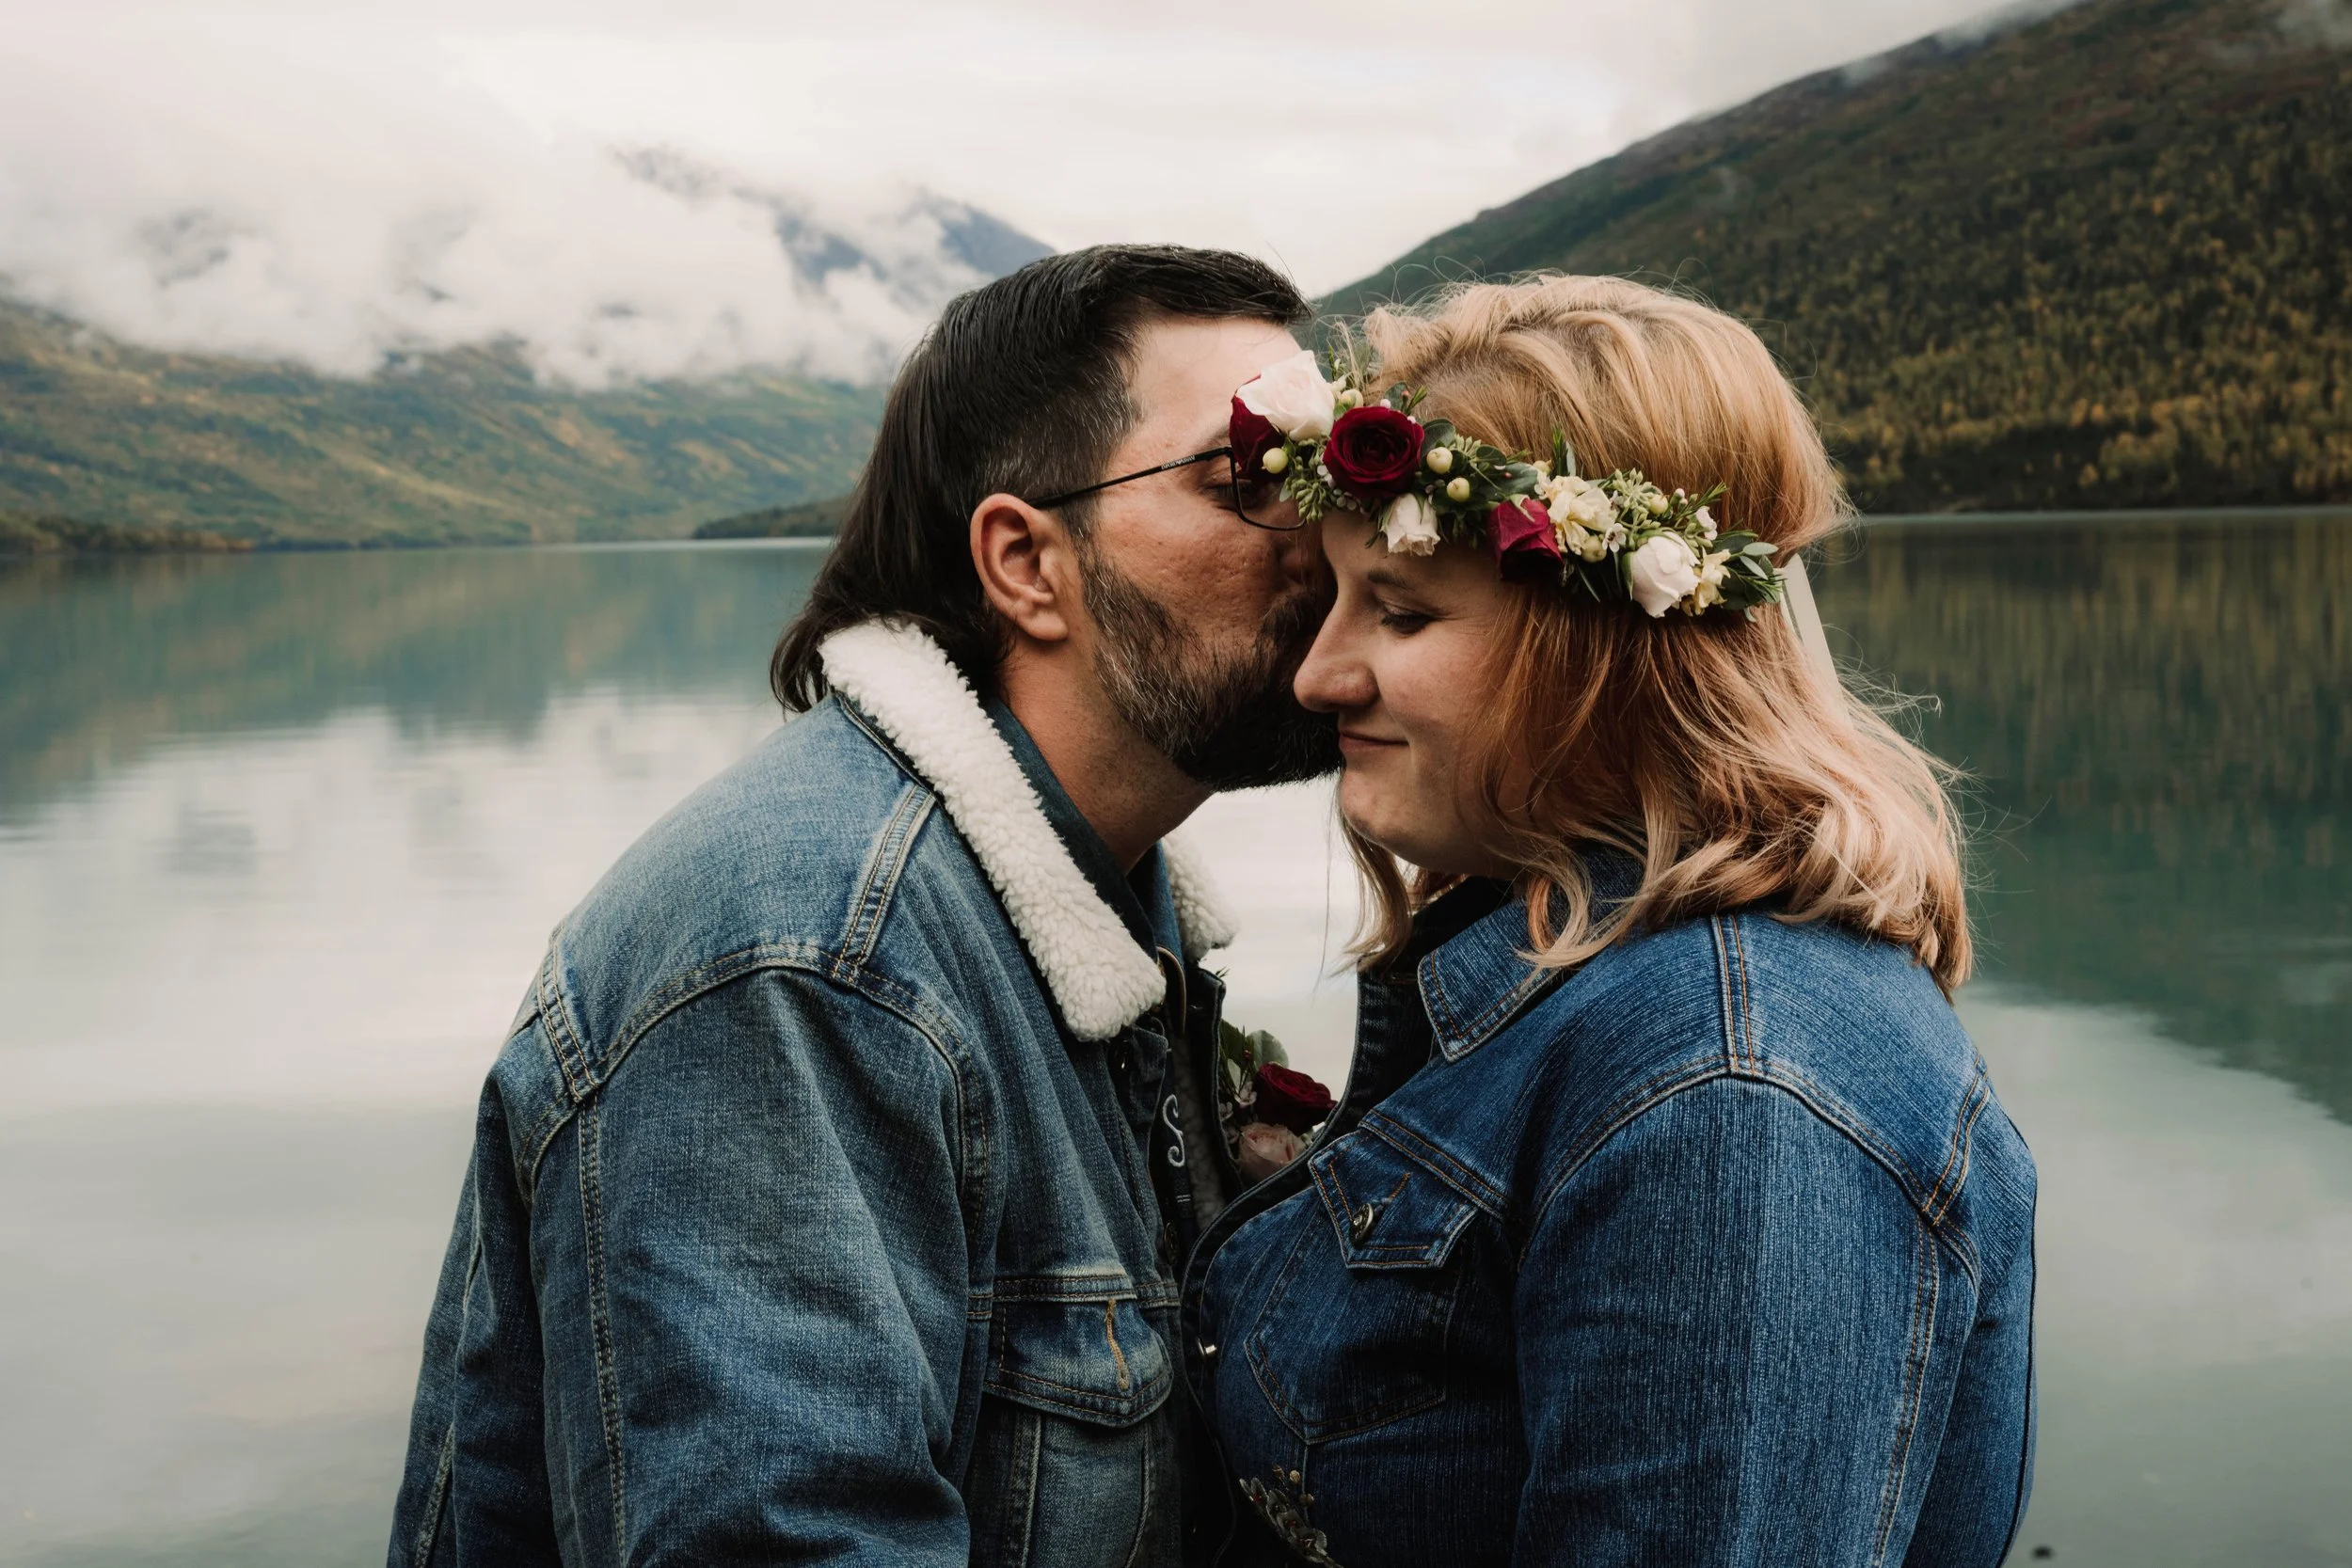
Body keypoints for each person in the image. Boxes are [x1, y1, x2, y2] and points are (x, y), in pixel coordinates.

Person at [387, 245, 1339, 1568]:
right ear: (1025, 562)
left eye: (1340, 466)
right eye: (1252, 475)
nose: (1337, 530)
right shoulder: (801, 958)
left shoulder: (1107, 903)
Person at [1182, 276, 2037, 1566]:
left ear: (1608, 652)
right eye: (1332, 603)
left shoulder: (1726, 1090)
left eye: (1403, 610)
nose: (1319, 673)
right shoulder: (1572, 973)